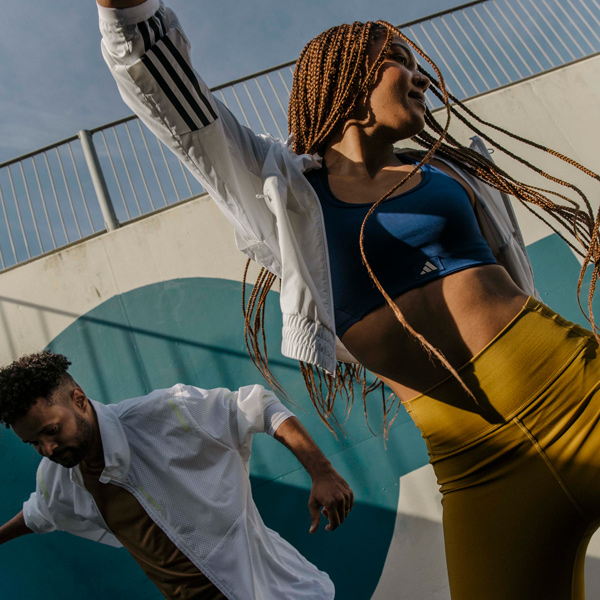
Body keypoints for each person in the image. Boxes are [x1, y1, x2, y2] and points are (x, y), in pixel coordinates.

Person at [97, 0, 600, 598]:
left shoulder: (449, 173)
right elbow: (178, 105)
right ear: (348, 78)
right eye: (399, 60)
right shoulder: (282, 189)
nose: (420, 77)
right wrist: (123, 13)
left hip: (576, 391)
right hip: (475, 463)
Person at [0, 351, 353, 599]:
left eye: (52, 431)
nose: (48, 448)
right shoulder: (58, 477)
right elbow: (38, 513)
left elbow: (258, 406)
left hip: (279, 593)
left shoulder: (162, 415)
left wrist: (322, 472)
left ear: (78, 399)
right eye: (34, 443)